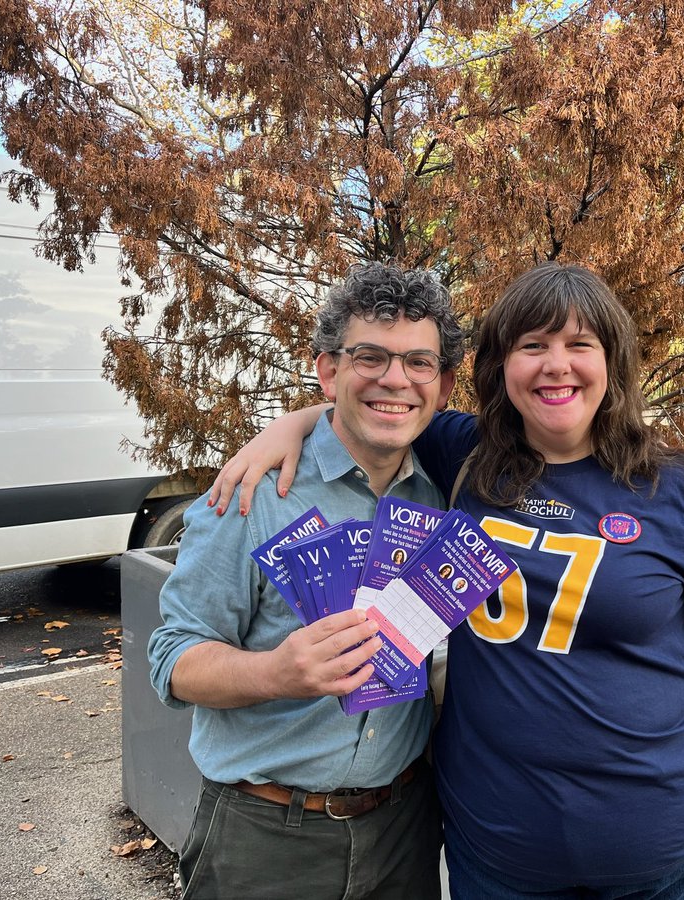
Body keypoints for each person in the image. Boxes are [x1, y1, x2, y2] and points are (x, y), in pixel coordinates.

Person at [211, 262, 684, 898]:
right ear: (502, 367)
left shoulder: (681, 491)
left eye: (579, 344)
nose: (555, 365)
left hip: (661, 846)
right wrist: (290, 424)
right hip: (497, 851)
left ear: (613, 360)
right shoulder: (466, 455)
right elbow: (380, 397)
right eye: (532, 345)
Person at [148, 263, 464, 899]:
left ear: (444, 383)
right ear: (328, 370)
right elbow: (171, 658)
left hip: (403, 829)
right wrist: (275, 673)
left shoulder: (445, 495)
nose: (395, 379)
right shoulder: (252, 494)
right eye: (369, 357)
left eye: (418, 363)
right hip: (264, 837)